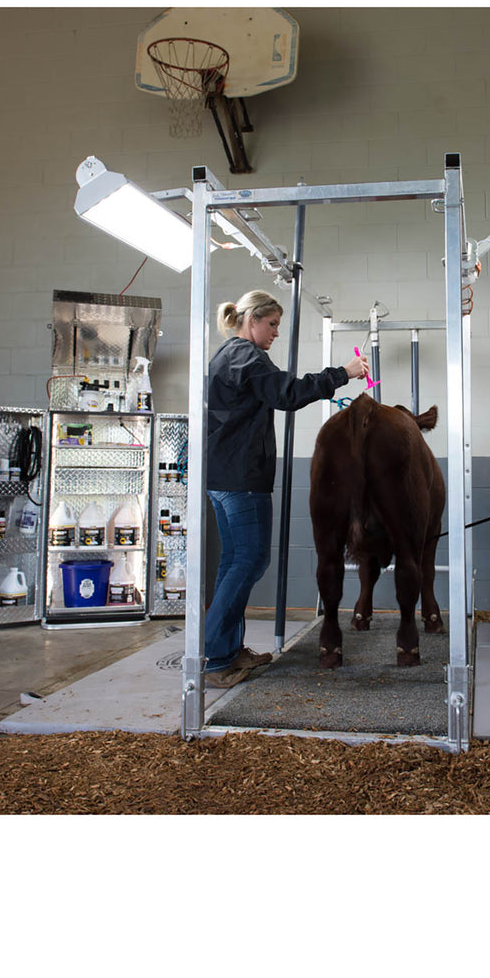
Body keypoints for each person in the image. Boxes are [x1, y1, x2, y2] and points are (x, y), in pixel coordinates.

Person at [203, 289, 369, 688]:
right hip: (241, 480)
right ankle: (212, 653)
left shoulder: (229, 356)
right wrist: (342, 374)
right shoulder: (245, 356)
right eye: (272, 324)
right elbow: (287, 393)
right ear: (252, 320)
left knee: (234, 561)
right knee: (250, 560)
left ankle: (226, 651)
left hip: (225, 478)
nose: (276, 332)